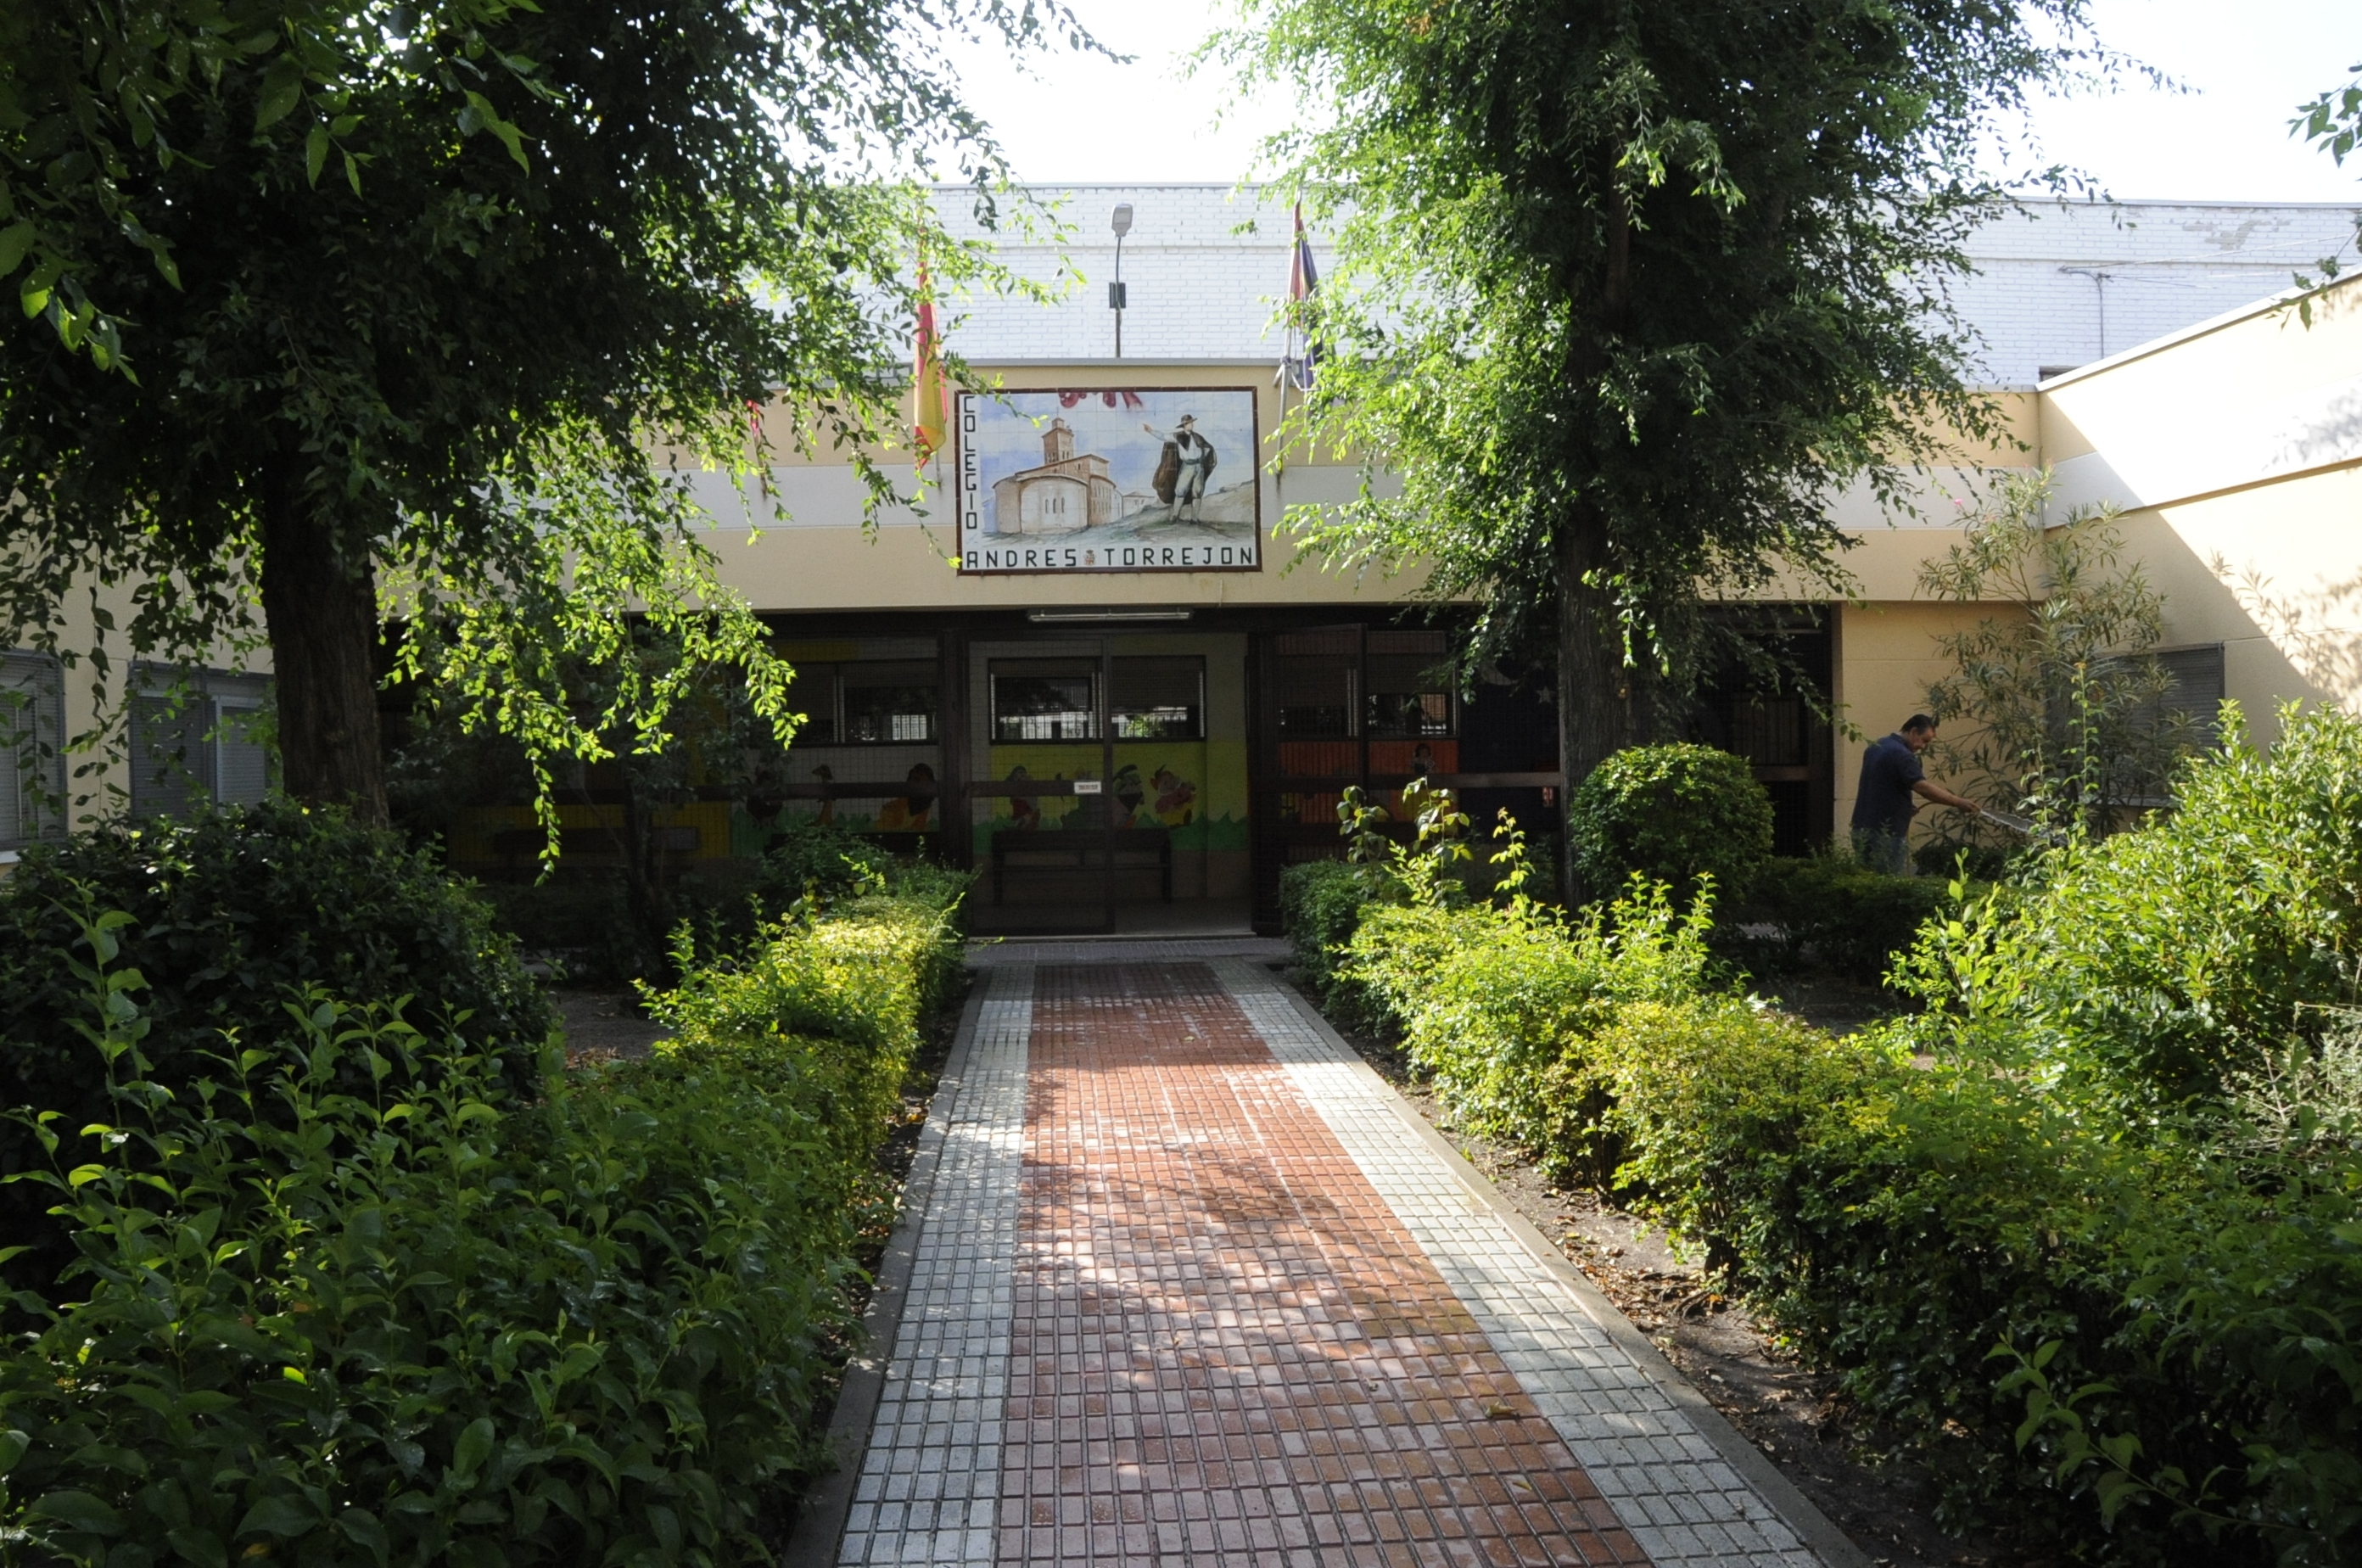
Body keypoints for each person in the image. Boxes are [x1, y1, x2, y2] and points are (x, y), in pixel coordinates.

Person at [1850, 714, 1978, 875]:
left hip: (1861, 828)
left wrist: (1902, 805)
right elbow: (1922, 787)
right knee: (1888, 883)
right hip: (1887, 834)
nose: (1923, 747)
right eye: (1924, 741)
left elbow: (1881, 784)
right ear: (1914, 731)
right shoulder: (1903, 755)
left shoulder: (1876, 746)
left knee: (1864, 880)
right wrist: (1958, 802)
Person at [1142, 414, 1217, 521]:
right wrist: (1151, 431)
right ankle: (1175, 516)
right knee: (1180, 491)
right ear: (1184, 425)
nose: (1191, 425)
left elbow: (1207, 448)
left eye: (1191, 423)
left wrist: (1203, 456)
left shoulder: (1197, 437)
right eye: (1189, 423)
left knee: (1197, 492)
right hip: (1188, 466)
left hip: (1199, 467)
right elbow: (1163, 436)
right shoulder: (1178, 436)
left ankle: (1194, 519)